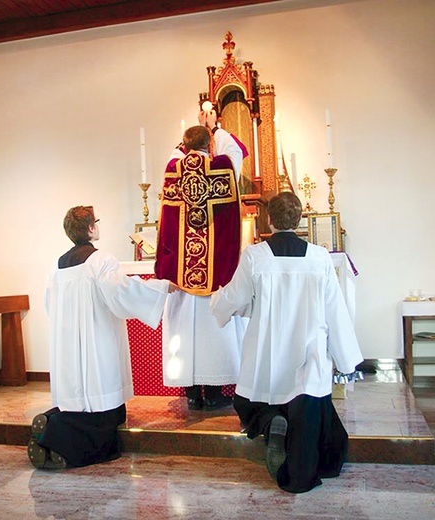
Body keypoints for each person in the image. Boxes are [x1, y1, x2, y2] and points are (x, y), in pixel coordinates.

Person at [210, 192, 363, 493]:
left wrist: (218, 301)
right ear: (300, 220)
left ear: (269, 220)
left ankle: (270, 422)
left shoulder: (255, 256)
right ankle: (302, 457)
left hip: (267, 354)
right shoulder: (319, 258)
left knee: (250, 401)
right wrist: (346, 360)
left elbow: (236, 297)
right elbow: (335, 310)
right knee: (310, 406)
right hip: (308, 353)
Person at [27, 205, 176, 470]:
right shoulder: (100, 260)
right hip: (98, 342)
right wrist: (162, 287)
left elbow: (50, 305)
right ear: (91, 228)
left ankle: (54, 423)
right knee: (104, 410)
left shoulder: (57, 266)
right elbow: (123, 292)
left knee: (77, 404)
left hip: (68, 347)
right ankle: (57, 436)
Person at [155, 110, 246, 411]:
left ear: (183, 145)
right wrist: (215, 128)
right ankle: (216, 391)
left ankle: (192, 393)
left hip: (181, 271)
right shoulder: (221, 166)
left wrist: (188, 141)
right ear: (210, 144)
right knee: (212, 330)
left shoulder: (173, 169)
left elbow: (175, 152)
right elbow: (235, 151)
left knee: (184, 329)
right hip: (214, 269)